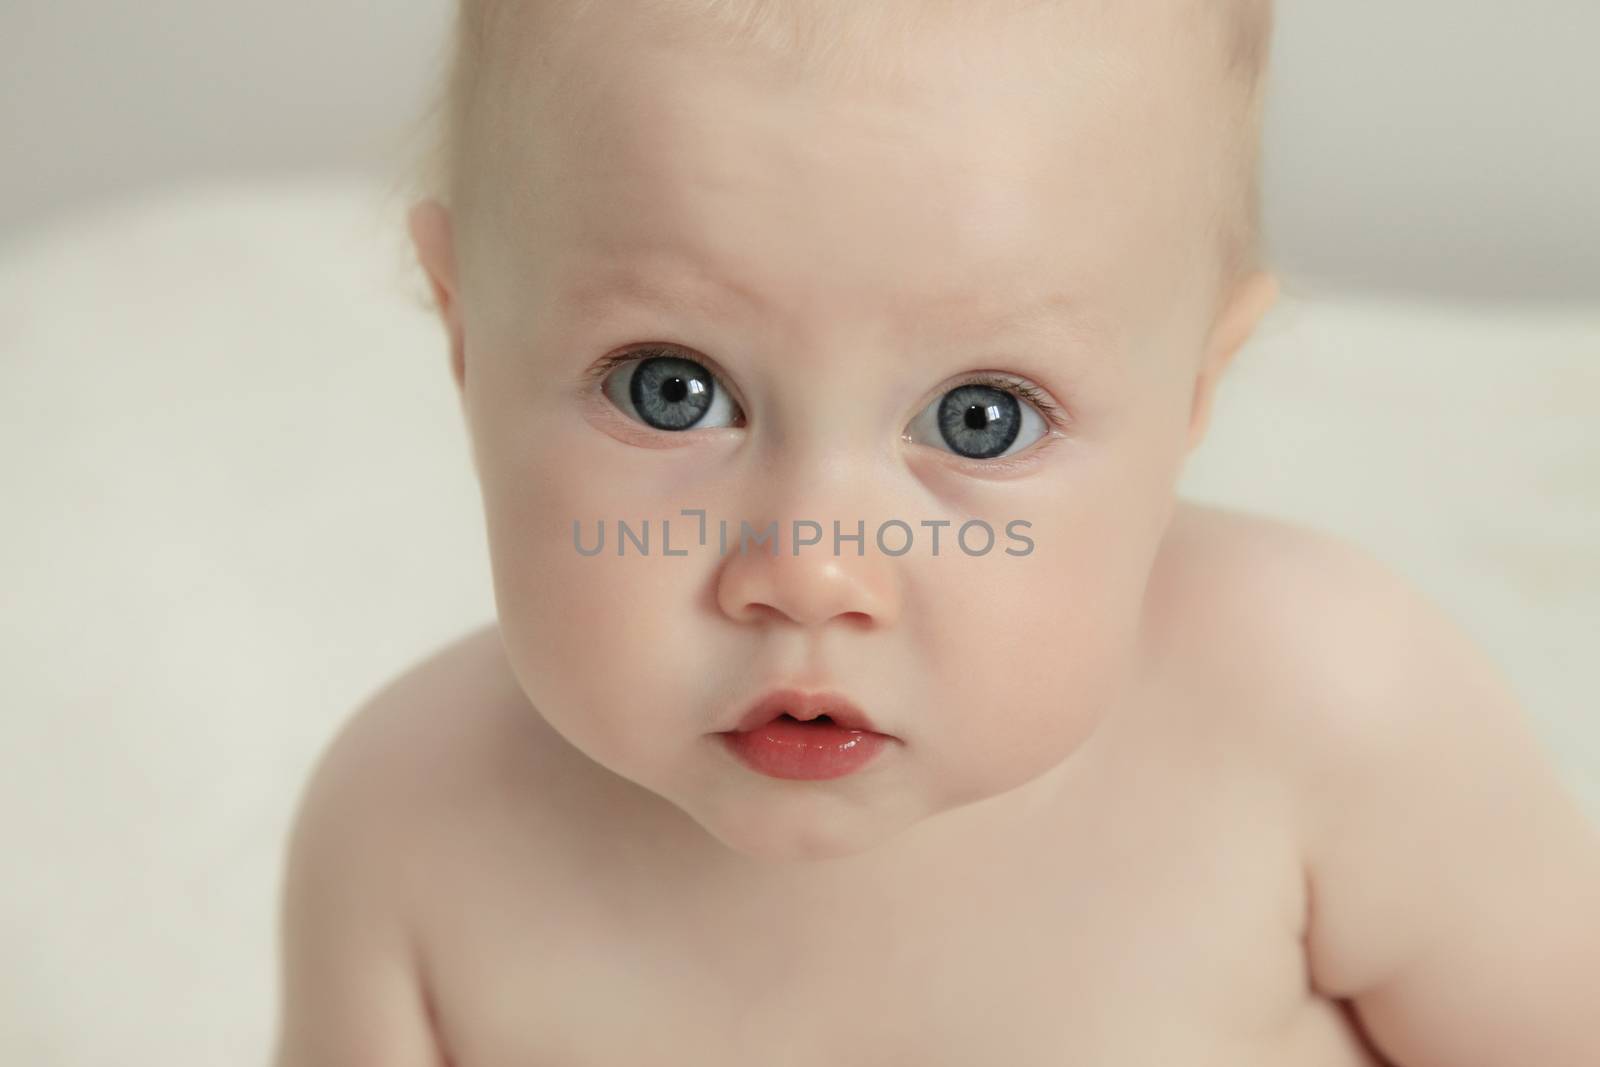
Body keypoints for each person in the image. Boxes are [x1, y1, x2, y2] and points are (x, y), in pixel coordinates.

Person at [272, 1, 1600, 1063]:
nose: (808, 568)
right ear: (463, 333)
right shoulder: (410, 837)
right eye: (668, 389)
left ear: (1195, 390)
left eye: (981, 419)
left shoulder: (1321, 715)